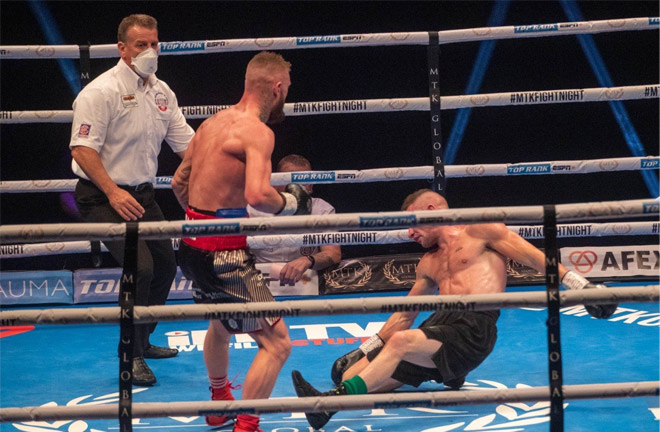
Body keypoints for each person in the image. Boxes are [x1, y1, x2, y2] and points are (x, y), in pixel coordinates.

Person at [291, 189, 618, 430]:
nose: (409, 233)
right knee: (352, 373)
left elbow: (532, 257)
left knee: (403, 342)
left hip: (474, 326)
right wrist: (362, 350)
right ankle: (448, 373)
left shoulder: (480, 230)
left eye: (412, 224)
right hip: (440, 325)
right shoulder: (428, 262)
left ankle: (329, 405)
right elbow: (405, 313)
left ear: (432, 209)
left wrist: (580, 285)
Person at [171, 51, 311, 432]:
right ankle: (246, 426)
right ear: (277, 88)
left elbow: (178, 183)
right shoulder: (258, 132)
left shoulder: (212, 124)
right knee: (278, 343)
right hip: (224, 256)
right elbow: (258, 195)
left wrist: (203, 222)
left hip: (191, 247)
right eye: (288, 89)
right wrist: (293, 203)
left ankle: (219, 405)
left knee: (221, 325)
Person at [70, 14, 193, 386]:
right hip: (101, 195)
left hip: (141, 194)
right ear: (122, 48)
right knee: (140, 270)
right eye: (141, 44)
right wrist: (112, 191)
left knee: (167, 266)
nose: (150, 51)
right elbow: (81, 149)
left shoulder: (162, 92)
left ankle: (144, 339)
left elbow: (189, 145)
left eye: (154, 43)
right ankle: (131, 353)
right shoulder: (100, 92)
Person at [248, 154, 341, 286]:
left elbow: (333, 254)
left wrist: (308, 260)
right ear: (275, 183)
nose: (297, 189)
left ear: (311, 186)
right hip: (257, 282)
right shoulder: (253, 209)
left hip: (305, 282)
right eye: (290, 181)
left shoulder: (322, 209)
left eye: (303, 183)